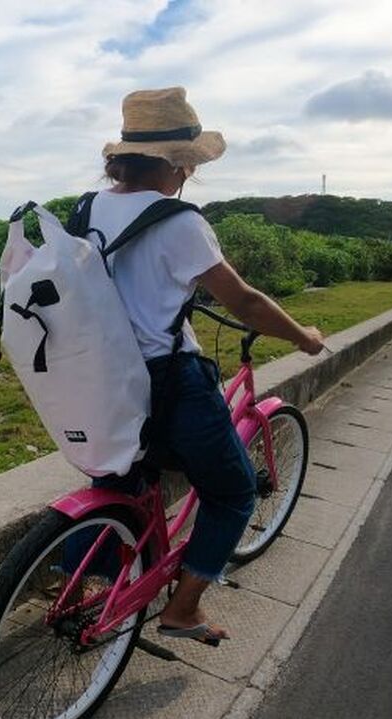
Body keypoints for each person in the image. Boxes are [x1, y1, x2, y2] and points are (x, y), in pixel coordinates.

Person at [86, 87, 324, 645]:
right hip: (170, 381)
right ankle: (183, 610)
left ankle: (89, 581)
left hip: (105, 374)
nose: (190, 173)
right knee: (236, 492)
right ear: (178, 162)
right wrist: (303, 337)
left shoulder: (88, 207)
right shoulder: (180, 221)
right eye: (189, 162)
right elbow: (243, 301)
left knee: (115, 478)